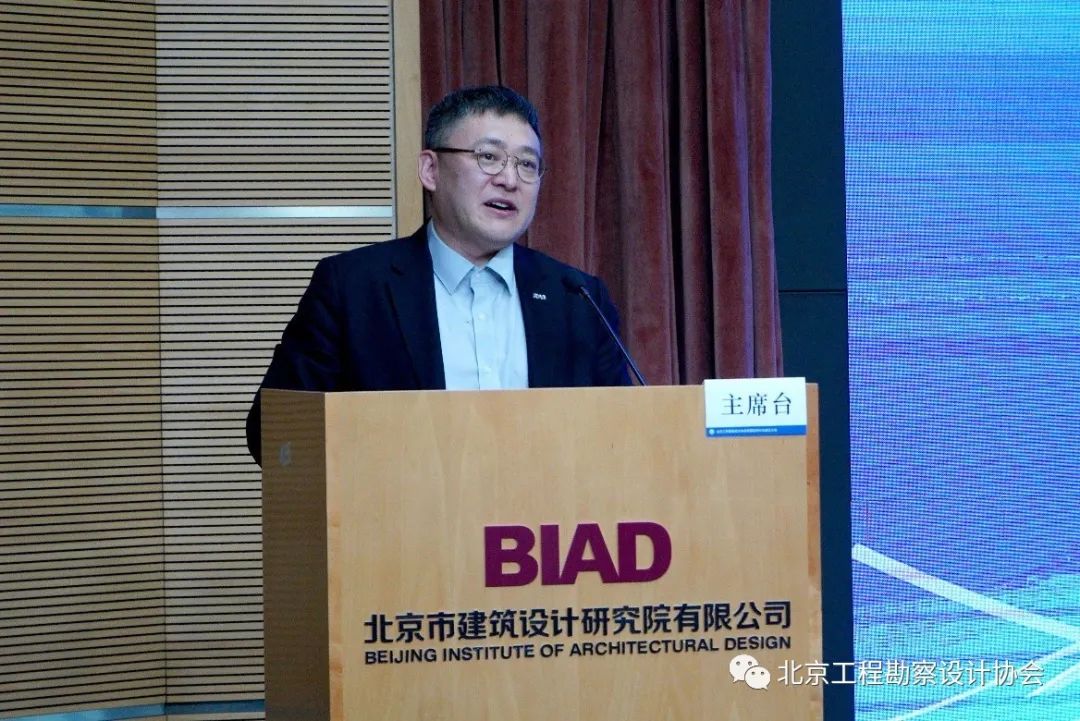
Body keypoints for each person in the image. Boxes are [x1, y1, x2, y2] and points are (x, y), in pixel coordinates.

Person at [246, 85, 630, 464]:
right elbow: (275, 434)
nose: (509, 180)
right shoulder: (353, 288)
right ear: (431, 170)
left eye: (527, 164)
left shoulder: (578, 298)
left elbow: (622, 439)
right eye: (489, 157)